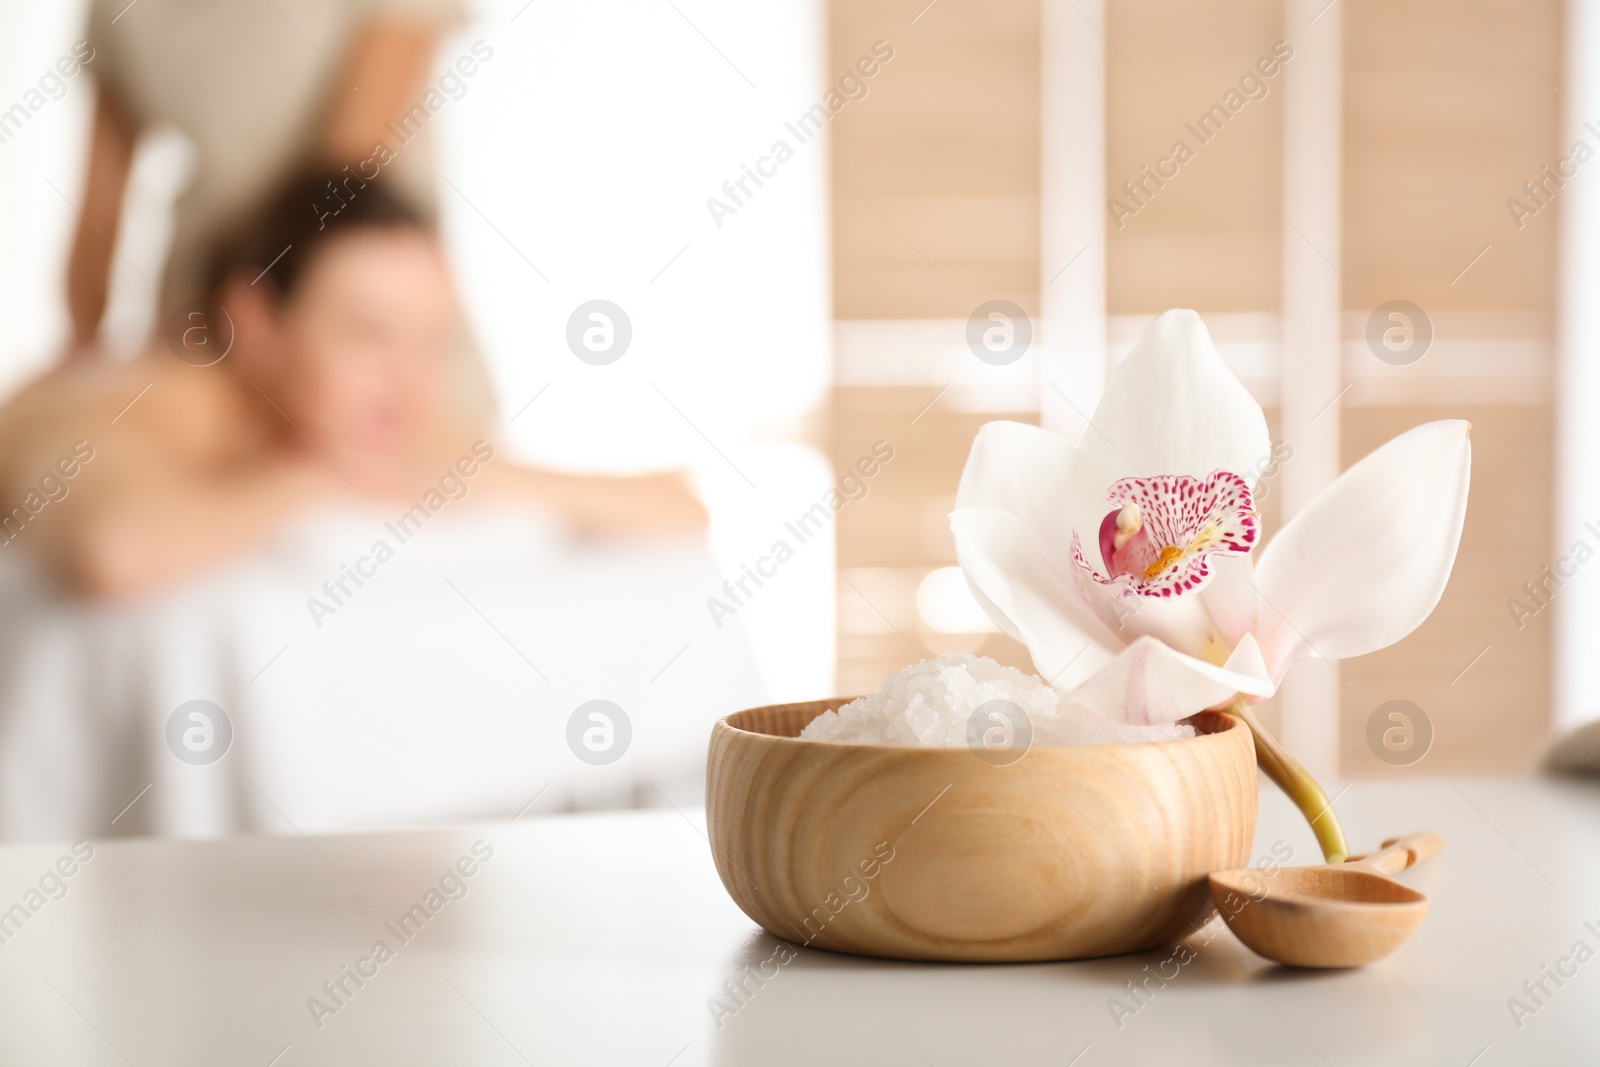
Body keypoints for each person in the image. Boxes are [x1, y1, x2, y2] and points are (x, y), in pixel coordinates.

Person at [0, 171, 705, 598]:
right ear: (254, 321)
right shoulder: (140, 402)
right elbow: (114, 552)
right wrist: (314, 480)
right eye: (369, 333)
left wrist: (485, 480)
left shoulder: (372, 412)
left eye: (433, 342)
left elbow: (679, 507)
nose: (412, 380)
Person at [68, 0, 467, 353]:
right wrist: (82, 351)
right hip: (210, 306)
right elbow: (98, 218)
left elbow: (346, 178)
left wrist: (257, 319)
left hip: (359, 306)